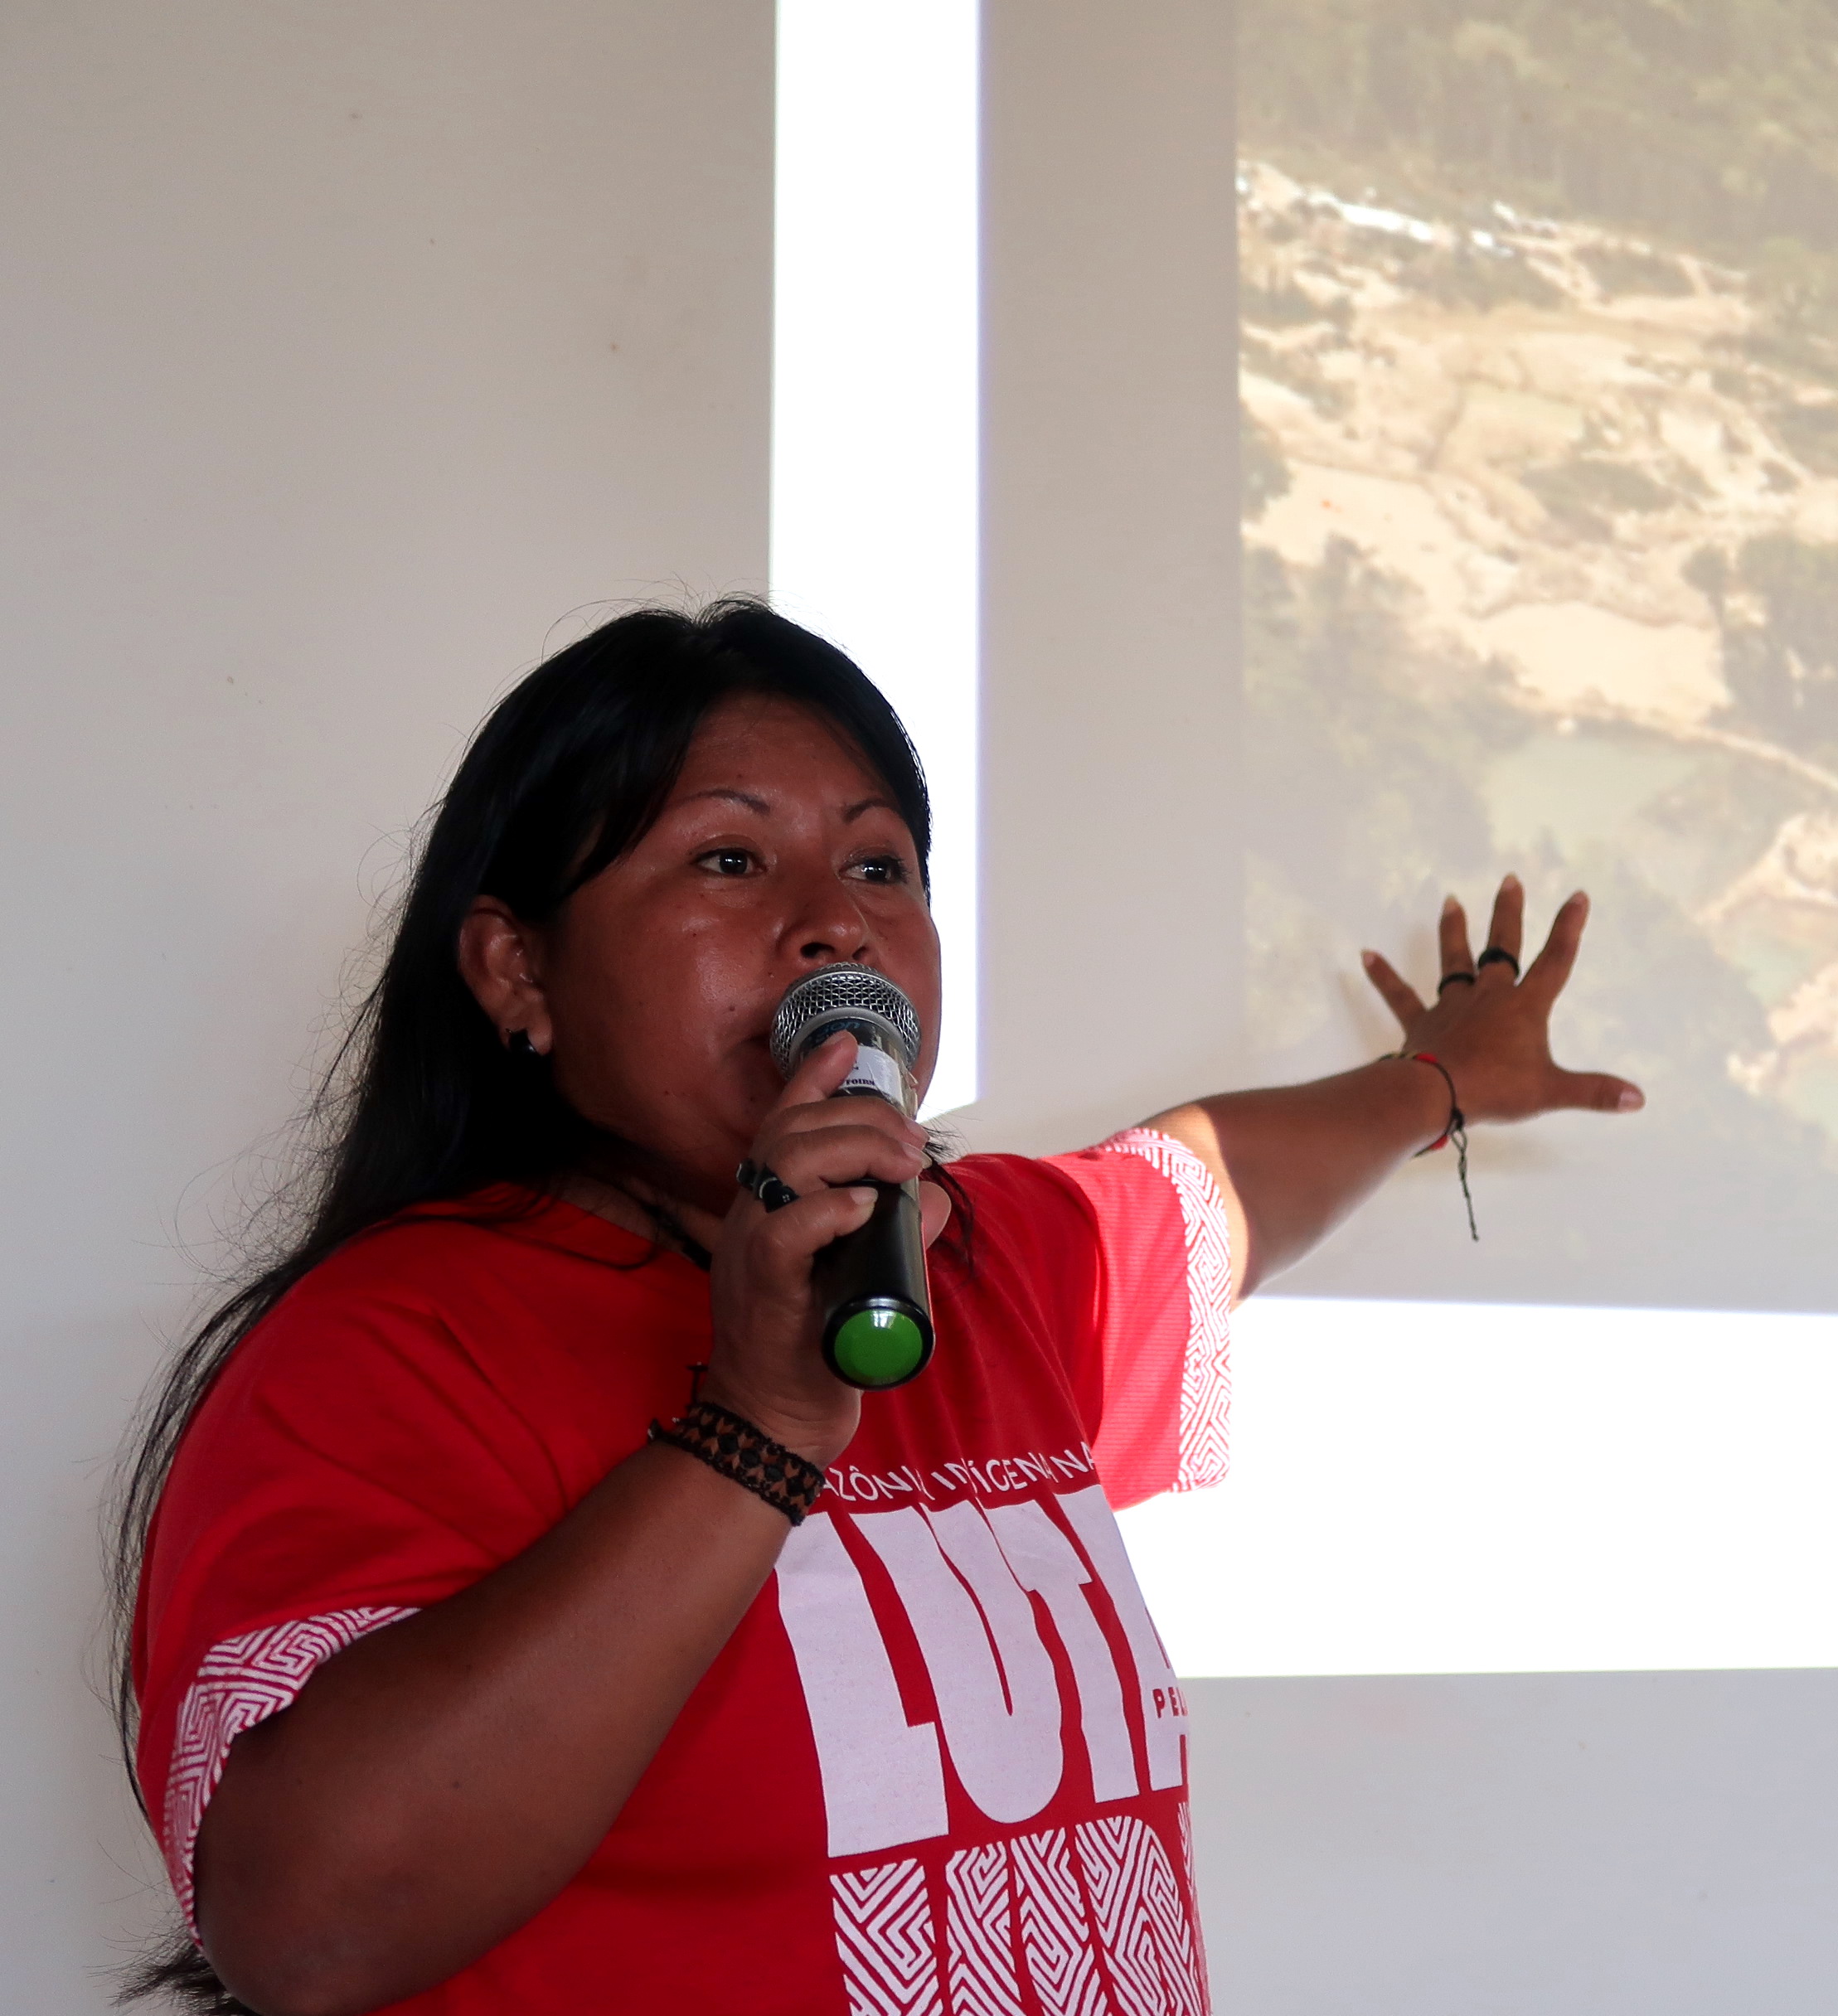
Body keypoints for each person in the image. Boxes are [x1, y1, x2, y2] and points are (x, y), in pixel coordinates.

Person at [112, 601, 1641, 2016]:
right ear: (519, 969)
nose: (832, 926)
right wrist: (759, 1428)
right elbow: (306, 1928)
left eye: (879, 866)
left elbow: (1217, 1183)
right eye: (728, 861)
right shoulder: (397, 1342)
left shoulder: (980, 1263)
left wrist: (1439, 1081)